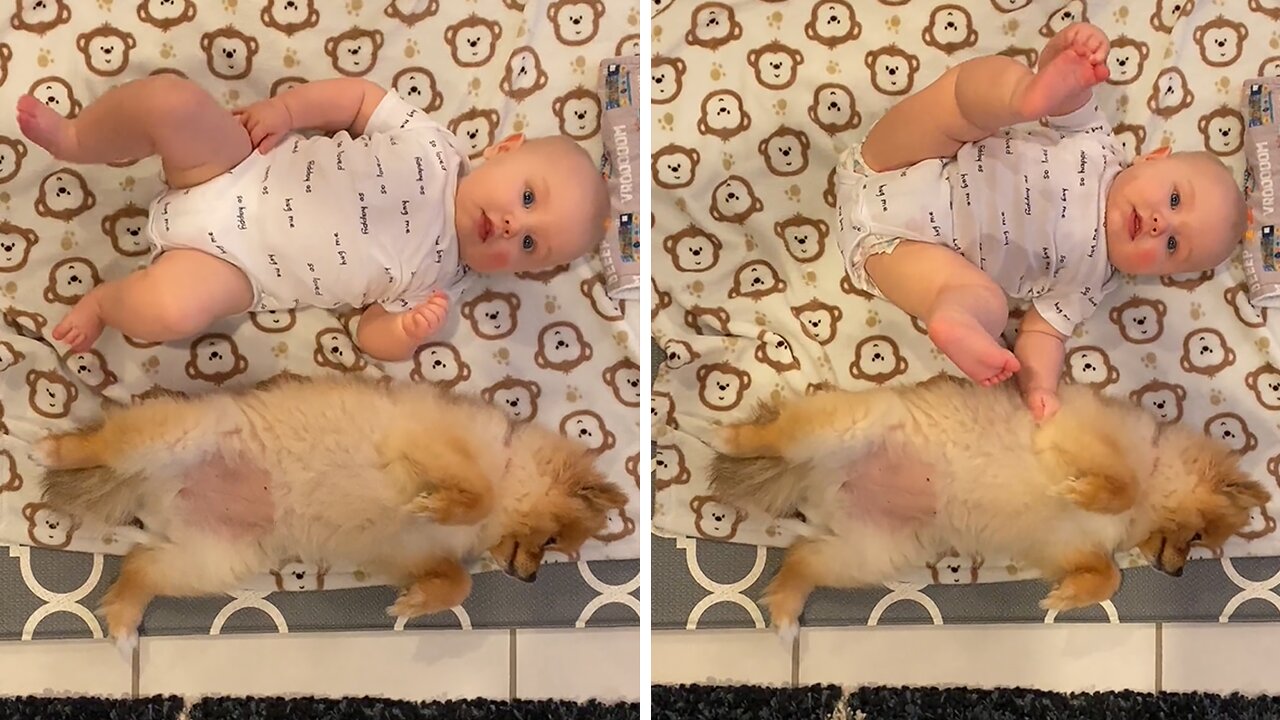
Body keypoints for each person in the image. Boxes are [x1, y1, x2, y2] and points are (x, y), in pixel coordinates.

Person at [16, 75, 610, 361]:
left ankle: (105, 302)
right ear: (505, 151)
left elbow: (368, 335)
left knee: (171, 312)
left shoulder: (440, 281)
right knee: (170, 100)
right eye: (527, 199)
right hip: (234, 165)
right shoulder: (434, 144)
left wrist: (403, 337)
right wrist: (287, 108)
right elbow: (356, 100)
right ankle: (77, 138)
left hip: (233, 269)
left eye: (530, 245)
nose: (512, 227)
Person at [835, 22, 1246, 420]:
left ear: (1159, 273)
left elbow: (1043, 335)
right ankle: (1023, 93)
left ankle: (953, 317)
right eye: (1174, 198)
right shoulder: (1099, 143)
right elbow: (1069, 94)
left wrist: (1039, 388)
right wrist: (1070, 57)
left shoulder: (1090, 283)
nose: (1161, 223)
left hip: (897, 253)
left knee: (988, 306)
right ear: (1153, 159)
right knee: (963, 101)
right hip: (902, 160)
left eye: (1173, 246)